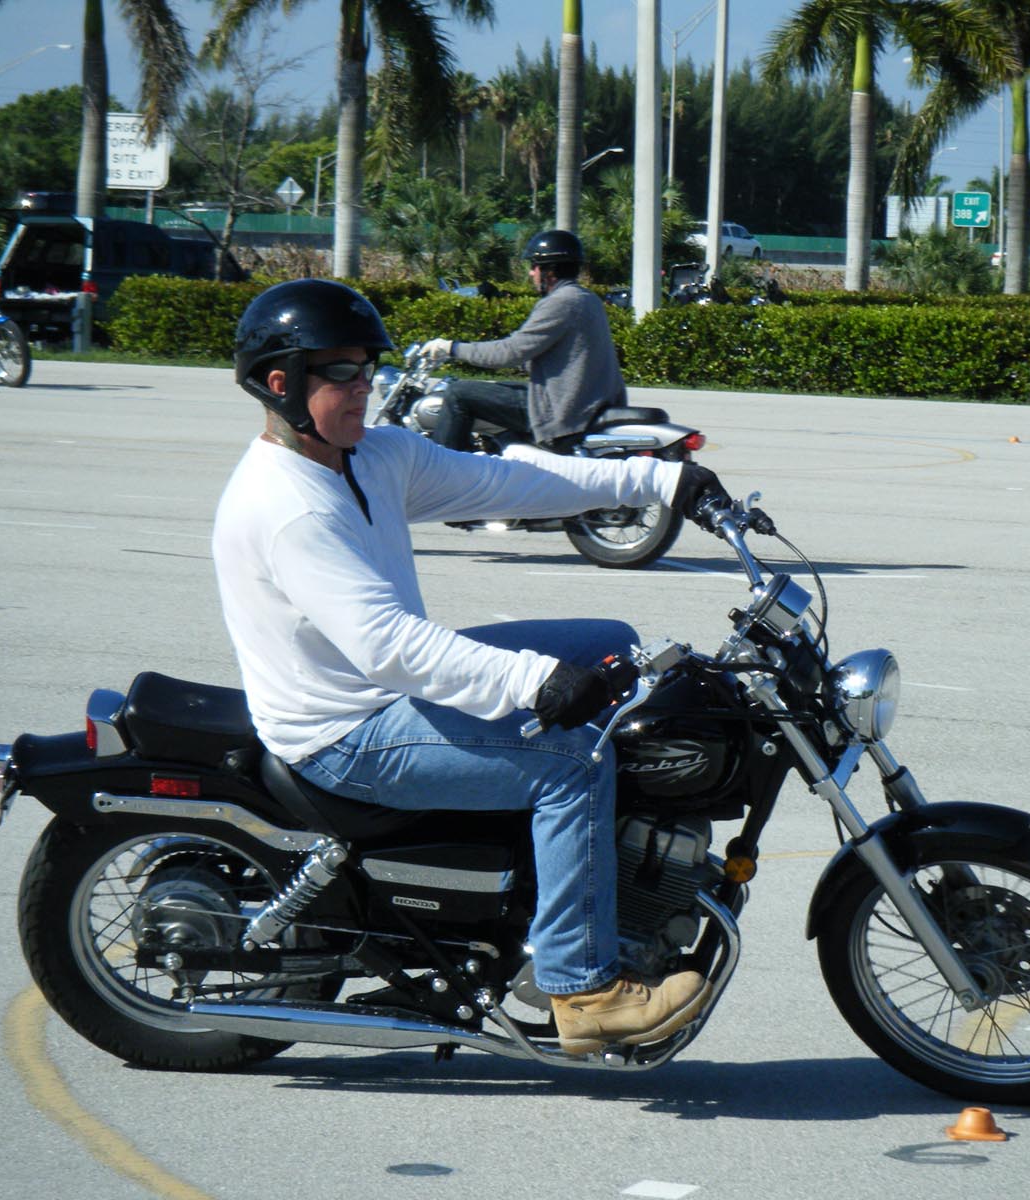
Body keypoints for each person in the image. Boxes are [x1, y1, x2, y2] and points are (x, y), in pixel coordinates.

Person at [213, 278, 732, 1055]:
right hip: (343, 732)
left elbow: (509, 480)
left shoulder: (371, 457)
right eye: (342, 372)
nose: (363, 387)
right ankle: (581, 989)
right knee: (575, 763)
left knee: (611, 642)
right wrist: (535, 683)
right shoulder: (287, 506)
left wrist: (657, 478)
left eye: (368, 369)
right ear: (280, 383)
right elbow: (389, 644)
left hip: (382, 691)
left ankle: (575, 884)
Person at [420, 229, 624, 452]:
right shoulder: (587, 298)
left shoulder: (562, 302)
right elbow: (551, 354)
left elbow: (509, 353)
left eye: (534, 266)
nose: (530, 273)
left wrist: (452, 348)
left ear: (549, 270)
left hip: (564, 411)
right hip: (583, 403)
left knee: (457, 393)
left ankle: (443, 467)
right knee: (500, 388)